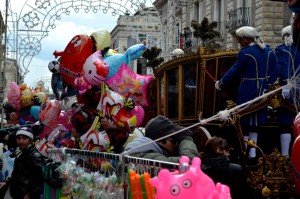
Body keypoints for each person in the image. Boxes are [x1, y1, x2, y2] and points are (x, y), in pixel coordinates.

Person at [215, 26, 278, 158]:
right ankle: (253, 152)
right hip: (263, 91)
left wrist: (221, 83)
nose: (239, 41)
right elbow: (275, 71)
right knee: (255, 122)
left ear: (247, 39)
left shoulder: (245, 53)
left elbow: (234, 71)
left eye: (240, 39)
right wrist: (267, 83)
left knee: (244, 119)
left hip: (248, 89)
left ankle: (244, 151)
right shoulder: (269, 51)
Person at [122, 115, 199, 163]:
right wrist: (185, 138)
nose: (176, 144)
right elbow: (187, 164)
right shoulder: (147, 156)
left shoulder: (142, 150)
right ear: (159, 141)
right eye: (174, 140)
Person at [275, 25, 300, 156]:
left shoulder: (282, 49)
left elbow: (282, 68)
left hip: (288, 90)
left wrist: (285, 84)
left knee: (285, 121)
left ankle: (285, 155)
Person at [0, 127, 44, 199]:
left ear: (30, 140)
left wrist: (29, 194)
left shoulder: (34, 156)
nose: (21, 141)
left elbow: (40, 182)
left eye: (24, 138)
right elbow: (17, 174)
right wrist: (7, 182)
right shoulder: (20, 153)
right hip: (18, 193)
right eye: (18, 138)